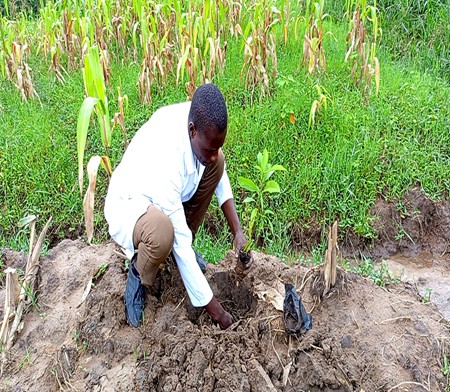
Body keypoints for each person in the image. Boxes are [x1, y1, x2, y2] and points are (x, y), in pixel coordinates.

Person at [104, 83, 250, 330]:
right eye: (209, 148)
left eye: (217, 146)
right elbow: (180, 240)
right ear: (192, 131)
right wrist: (218, 313)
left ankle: (173, 259)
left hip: (165, 200)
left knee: (217, 164)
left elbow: (219, 175)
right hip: (132, 205)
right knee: (163, 234)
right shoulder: (167, 154)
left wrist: (237, 230)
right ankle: (139, 274)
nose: (212, 154)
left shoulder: (200, 121)